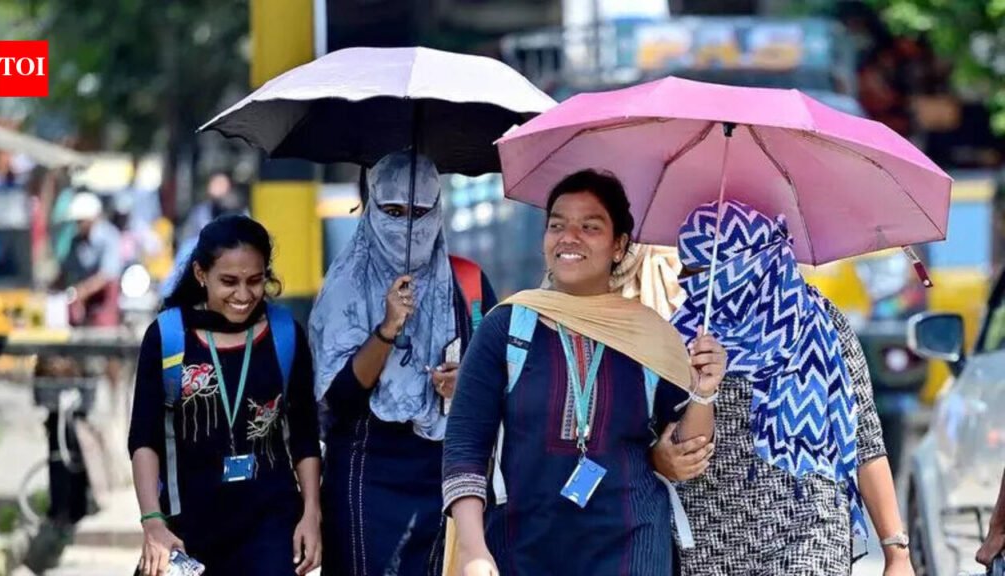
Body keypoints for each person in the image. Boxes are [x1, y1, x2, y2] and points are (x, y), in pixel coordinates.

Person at [443, 169, 726, 576]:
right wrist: (472, 549)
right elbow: (465, 445)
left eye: (589, 227)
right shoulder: (506, 327)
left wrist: (703, 391)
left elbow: (687, 451)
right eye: (557, 225)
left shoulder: (650, 335)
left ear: (619, 245)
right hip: (523, 548)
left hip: (632, 547)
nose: (569, 237)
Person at [663, 200, 913, 575]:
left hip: (810, 528)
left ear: (748, 265)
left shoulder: (821, 328)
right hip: (712, 539)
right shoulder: (681, 336)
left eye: (702, 269)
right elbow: (680, 452)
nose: (689, 281)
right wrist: (703, 388)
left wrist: (897, 553)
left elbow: (866, 442)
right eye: (687, 267)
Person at [310, 151, 497, 576]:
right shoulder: (345, 290)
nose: (407, 226)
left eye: (419, 211)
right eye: (393, 211)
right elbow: (336, 401)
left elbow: (502, 375)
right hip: (364, 468)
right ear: (371, 205)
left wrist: (465, 382)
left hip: (444, 471)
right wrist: (387, 328)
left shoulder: (466, 283)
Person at [128, 215, 322, 576]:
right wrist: (152, 521)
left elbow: (305, 435)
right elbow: (144, 437)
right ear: (201, 274)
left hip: (271, 525)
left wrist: (311, 513)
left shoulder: (285, 334)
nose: (244, 295)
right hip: (188, 527)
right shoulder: (169, 336)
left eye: (255, 280)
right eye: (229, 282)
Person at [56, 191, 124, 327]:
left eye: (81, 221)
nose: (78, 225)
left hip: (104, 297)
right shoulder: (76, 241)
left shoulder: (109, 237)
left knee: (103, 327)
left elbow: (108, 275)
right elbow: (66, 270)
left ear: (92, 219)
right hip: (84, 298)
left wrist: (81, 291)